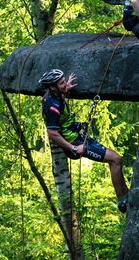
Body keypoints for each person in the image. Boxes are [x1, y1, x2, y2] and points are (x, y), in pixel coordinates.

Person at [39, 69, 129, 212]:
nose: (65, 84)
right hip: (76, 143)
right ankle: (123, 200)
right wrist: (73, 148)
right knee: (116, 160)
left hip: (79, 136)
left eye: (64, 81)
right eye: (61, 83)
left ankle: (125, 193)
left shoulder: (54, 94)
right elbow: (52, 133)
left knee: (118, 159)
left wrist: (66, 88)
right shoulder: (52, 106)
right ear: (52, 87)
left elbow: (61, 102)